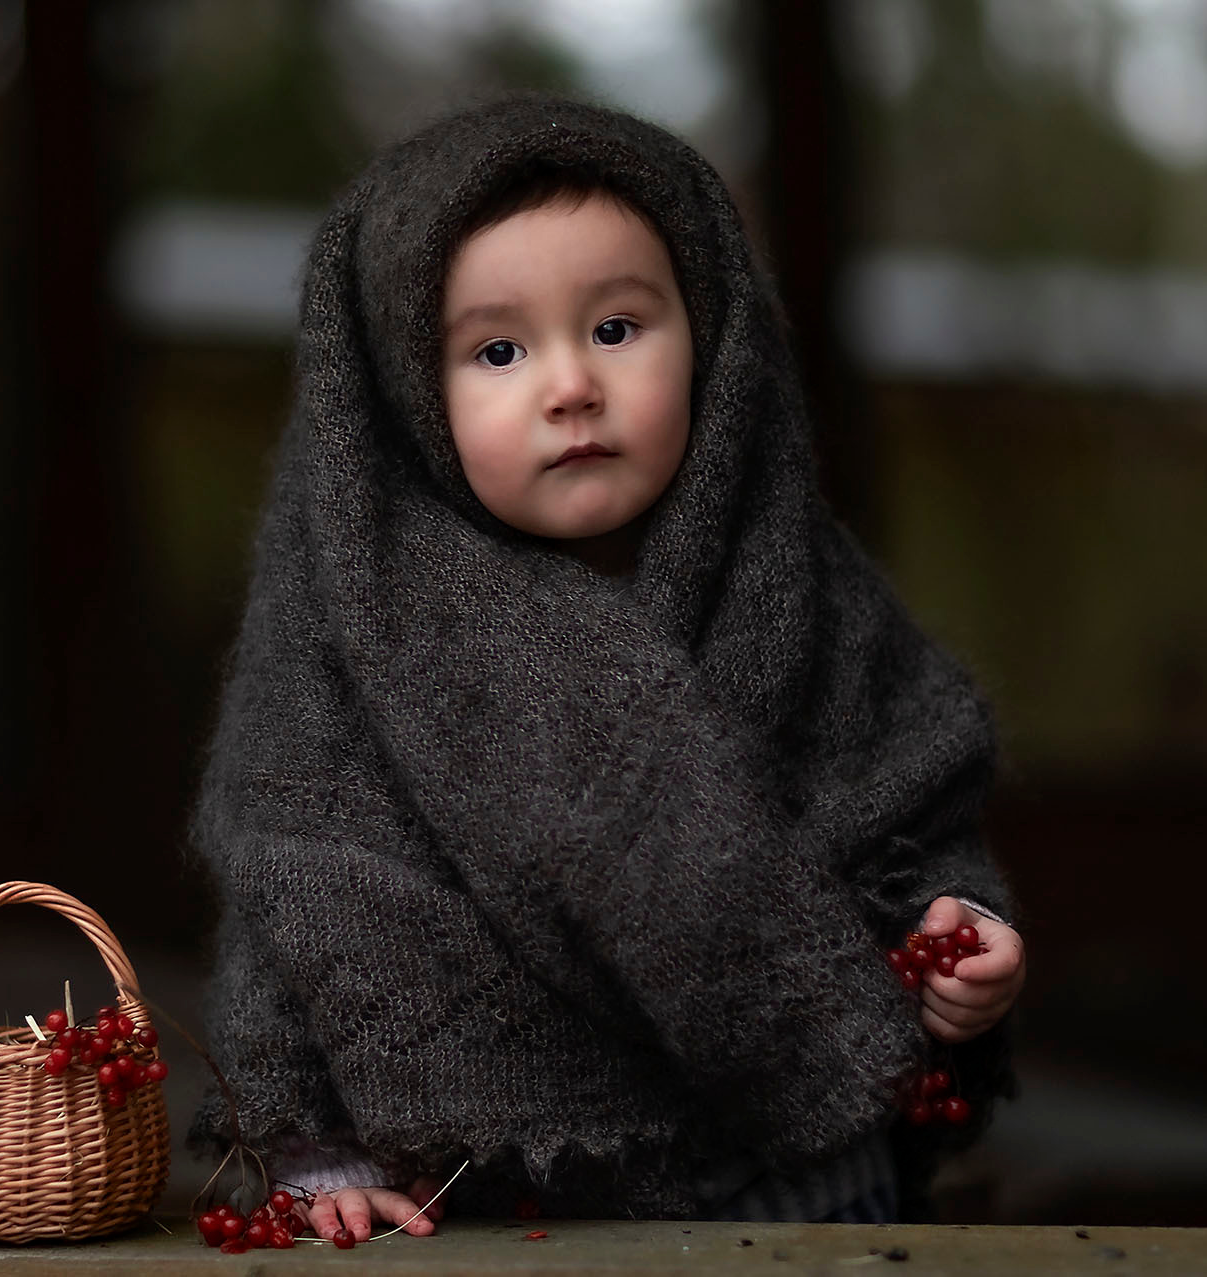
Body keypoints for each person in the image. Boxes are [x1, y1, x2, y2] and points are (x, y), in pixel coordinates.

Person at [188, 95, 1025, 1239]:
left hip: (812, 1187)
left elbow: (915, 818)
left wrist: (965, 938)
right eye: (497, 349)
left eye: (618, 328)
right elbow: (300, 906)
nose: (571, 384)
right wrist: (319, 1159)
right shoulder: (344, 652)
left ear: (718, 335)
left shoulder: (804, 591)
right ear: (399, 398)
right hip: (503, 1199)